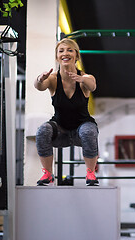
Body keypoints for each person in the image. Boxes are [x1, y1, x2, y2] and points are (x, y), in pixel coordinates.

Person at [34, 38, 99, 186]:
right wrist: (40, 78)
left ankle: (90, 174)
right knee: (43, 130)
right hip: (60, 131)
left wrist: (81, 79)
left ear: (76, 55)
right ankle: (48, 174)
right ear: (57, 56)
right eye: (61, 50)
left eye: (70, 50)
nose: (65, 53)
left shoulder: (86, 78)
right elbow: (39, 86)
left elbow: (93, 86)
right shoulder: (52, 79)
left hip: (81, 132)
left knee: (89, 131)